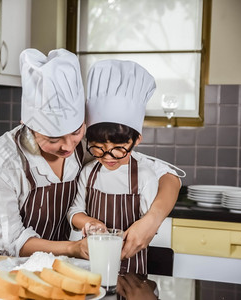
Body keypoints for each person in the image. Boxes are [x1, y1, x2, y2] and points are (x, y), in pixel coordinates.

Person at [0, 48, 181, 259]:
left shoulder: (88, 145)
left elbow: (168, 176)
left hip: (56, 268)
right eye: (53, 139)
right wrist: (73, 248)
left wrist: (151, 220)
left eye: (76, 131)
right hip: (1, 268)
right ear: (27, 125)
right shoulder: (0, 163)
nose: (68, 147)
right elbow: (12, 242)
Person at [68, 59, 183, 274]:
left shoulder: (145, 175)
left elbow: (169, 182)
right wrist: (89, 222)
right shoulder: (89, 171)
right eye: (98, 148)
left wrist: (146, 226)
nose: (108, 157)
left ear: (136, 140)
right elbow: (75, 210)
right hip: (91, 266)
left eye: (119, 149)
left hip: (132, 268)